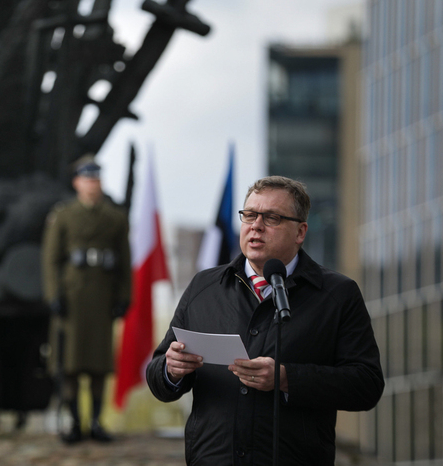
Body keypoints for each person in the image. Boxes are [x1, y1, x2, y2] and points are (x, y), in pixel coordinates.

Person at [146, 176, 384, 465]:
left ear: (300, 232)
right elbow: (158, 376)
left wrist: (287, 379)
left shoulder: (337, 294)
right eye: (249, 215)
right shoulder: (204, 288)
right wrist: (171, 370)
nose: (256, 225)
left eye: (272, 217)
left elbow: (366, 385)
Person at [41, 156, 131, 444]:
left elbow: (124, 262)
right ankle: (74, 422)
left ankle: (95, 421)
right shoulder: (64, 215)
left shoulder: (115, 218)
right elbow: (51, 259)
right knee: (70, 362)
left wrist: (124, 296)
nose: (92, 184)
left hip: (102, 297)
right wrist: (54, 295)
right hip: (72, 296)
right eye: (87, 179)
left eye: (96, 178)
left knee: (99, 363)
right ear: (77, 182)